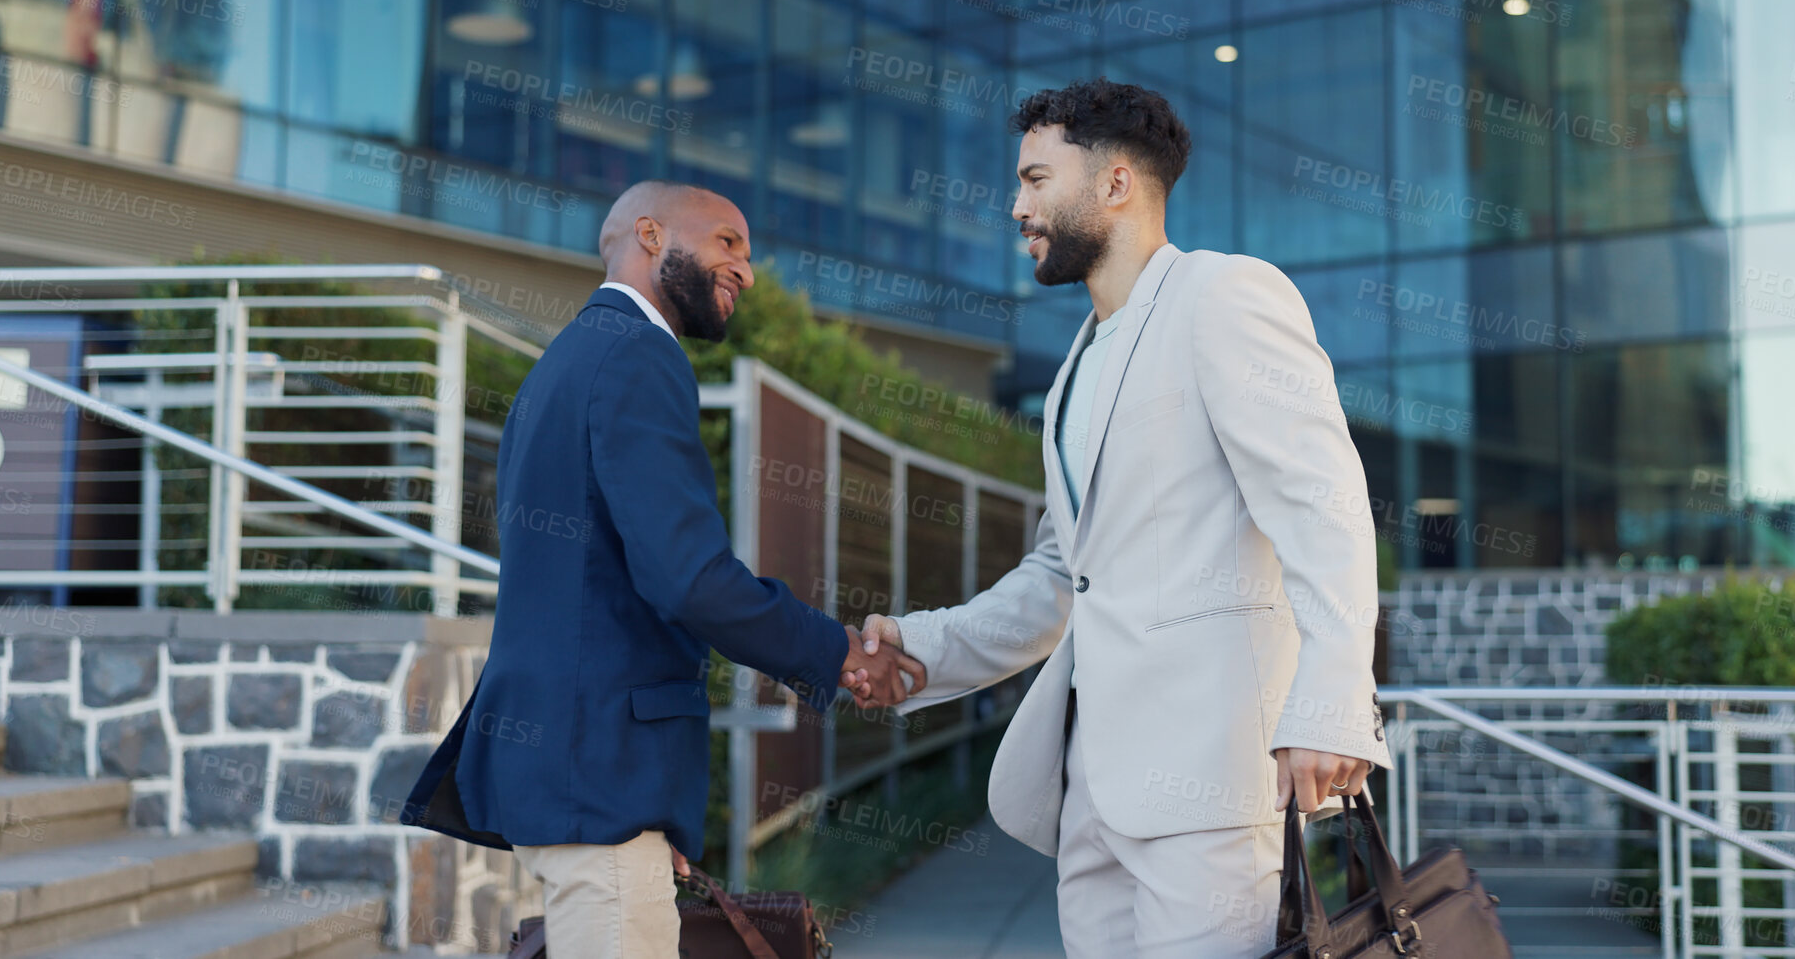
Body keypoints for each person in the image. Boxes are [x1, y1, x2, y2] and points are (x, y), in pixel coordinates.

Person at [859, 79, 1395, 958]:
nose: (1015, 204)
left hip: (1209, 783)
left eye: (1036, 179)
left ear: (1114, 184)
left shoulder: (1222, 296)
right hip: (1094, 793)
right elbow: (1061, 575)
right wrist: (925, 649)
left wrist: (1333, 703)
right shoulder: (1076, 362)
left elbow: (1322, 501)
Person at [402, 181, 926, 959]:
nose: (746, 269)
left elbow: (589, 589)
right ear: (649, 235)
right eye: (726, 242)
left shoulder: (564, 363)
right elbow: (687, 578)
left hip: (589, 782)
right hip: (599, 783)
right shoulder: (637, 357)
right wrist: (838, 652)